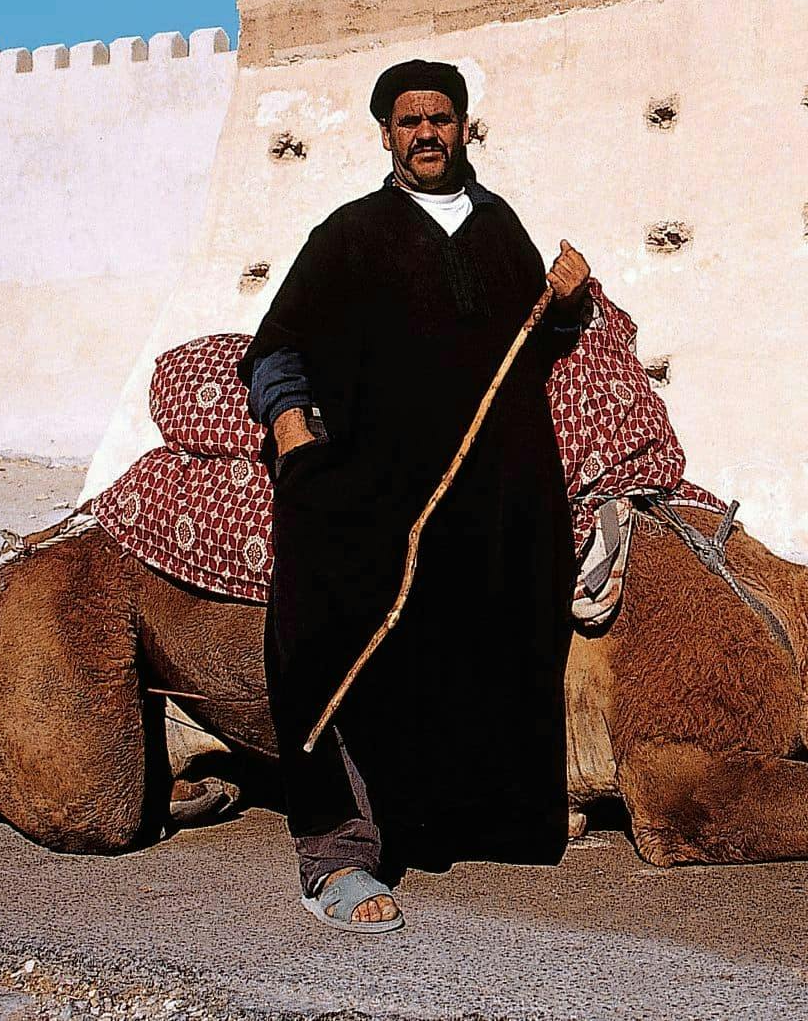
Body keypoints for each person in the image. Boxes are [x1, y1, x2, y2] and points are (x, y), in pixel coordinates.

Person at [237, 59, 592, 934]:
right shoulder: (349, 233)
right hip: (374, 481)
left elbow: (525, 347)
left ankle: (470, 813)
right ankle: (335, 853)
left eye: (441, 117)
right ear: (386, 136)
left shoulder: (501, 227)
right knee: (327, 620)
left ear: (466, 128)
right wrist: (294, 439)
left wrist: (567, 302)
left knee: (510, 608)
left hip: (489, 490)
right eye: (409, 121)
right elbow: (277, 346)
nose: (427, 132)